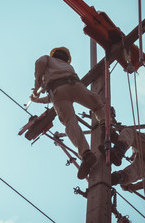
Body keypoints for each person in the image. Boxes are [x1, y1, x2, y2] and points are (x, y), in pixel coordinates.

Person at [30, 46, 105, 179]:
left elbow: (39, 63)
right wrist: (37, 99)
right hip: (74, 85)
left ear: (54, 54)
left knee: (70, 122)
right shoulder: (67, 67)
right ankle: (105, 125)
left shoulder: (47, 59)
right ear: (67, 58)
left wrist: (36, 88)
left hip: (57, 92)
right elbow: (51, 97)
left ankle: (86, 154)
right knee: (97, 104)